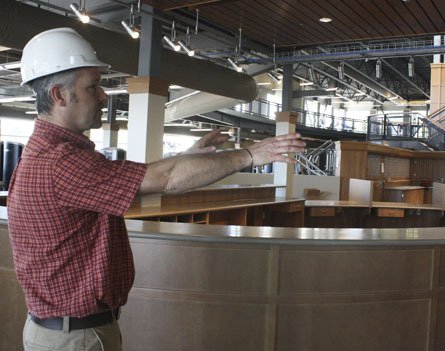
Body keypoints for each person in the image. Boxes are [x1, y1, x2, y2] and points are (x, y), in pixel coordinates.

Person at [7, 28, 306, 351]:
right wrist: (249, 155)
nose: (104, 95)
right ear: (59, 95)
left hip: (68, 332)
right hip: (74, 338)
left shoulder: (53, 154)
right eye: (93, 86)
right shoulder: (61, 162)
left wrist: (188, 157)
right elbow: (165, 179)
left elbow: (142, 175)